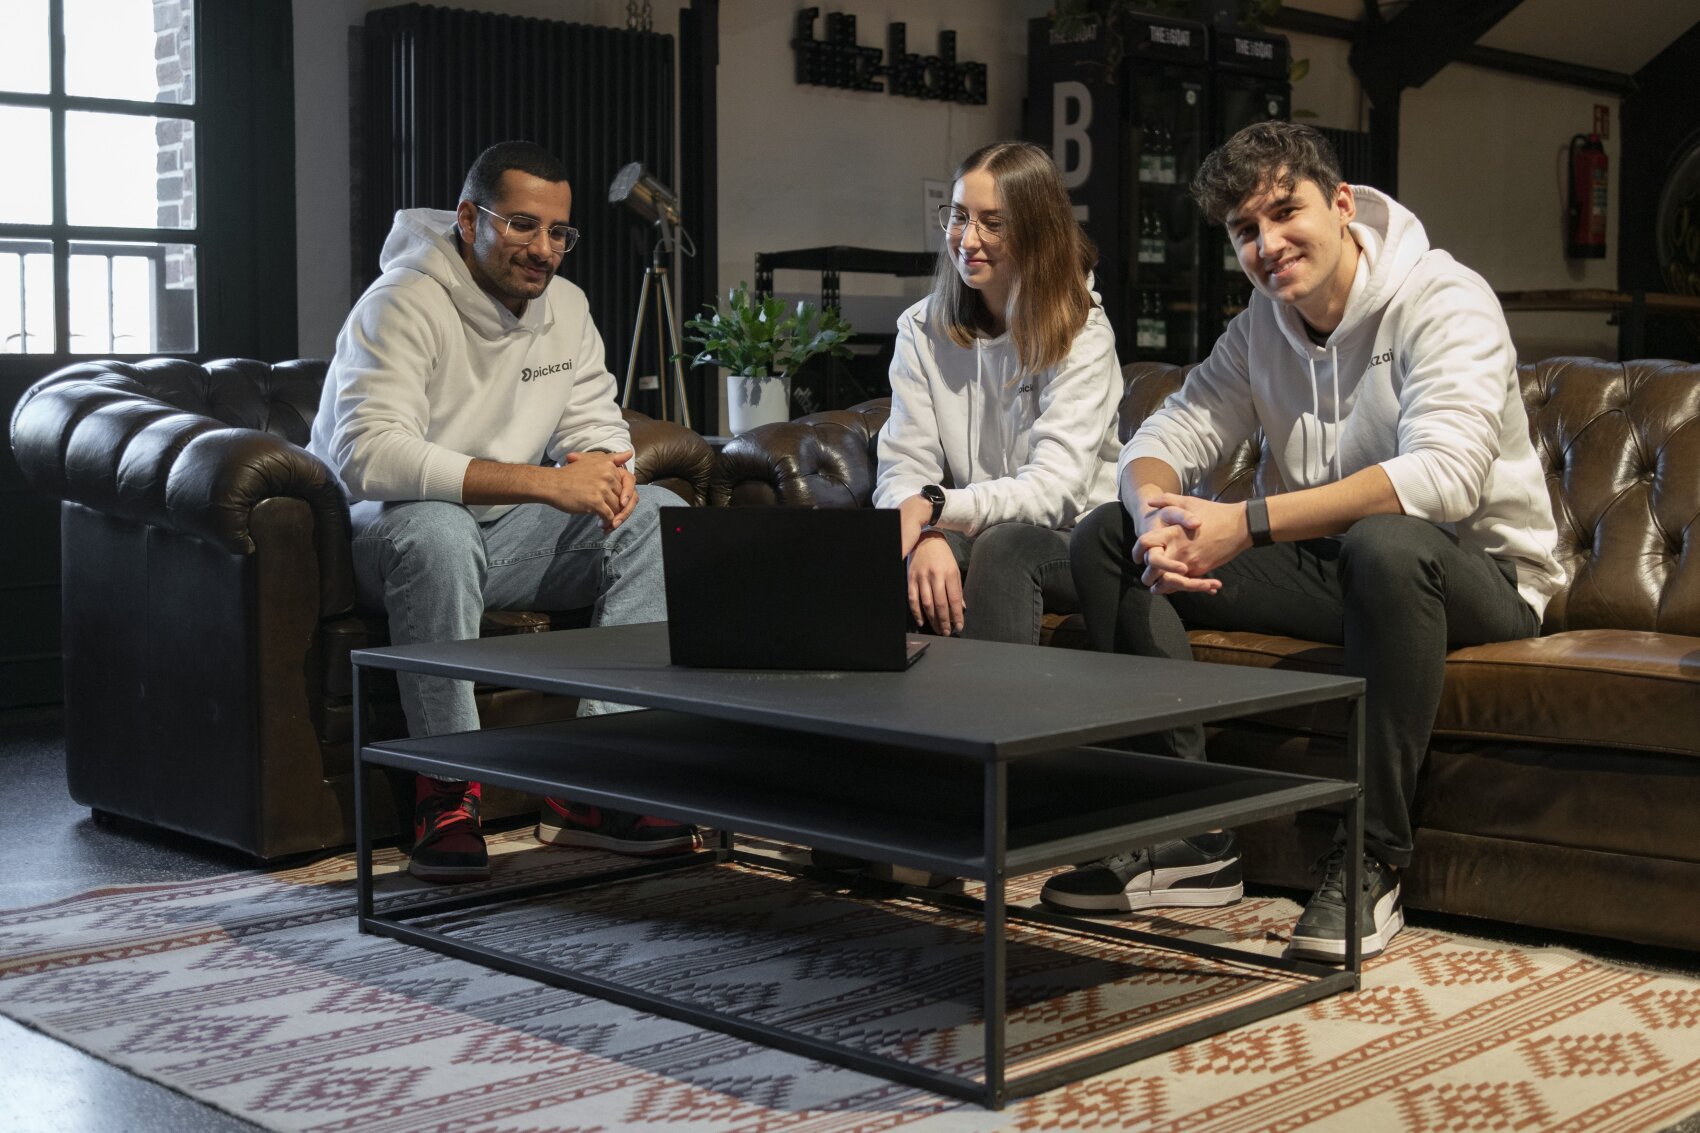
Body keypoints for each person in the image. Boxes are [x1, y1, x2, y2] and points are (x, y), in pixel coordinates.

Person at [1046, 122, 1564, 963]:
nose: (1269, 243)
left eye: (1285, 213)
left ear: (1343, 204)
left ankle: (1373, 857)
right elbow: (1172, 428)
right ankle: (1188, 828)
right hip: (1338, 566)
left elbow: (1445, 477)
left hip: (1478, 576)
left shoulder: (1445, 298)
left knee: (1387, 545)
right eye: (1245, 231)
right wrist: (1152, 515)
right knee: (1108, 536)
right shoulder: (1263, 322)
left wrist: (1243, 523)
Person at [310, 140, 696, 884]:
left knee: (661, 510)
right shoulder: (400, 303)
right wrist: (545, 483)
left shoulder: (568, 308)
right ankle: (447, 786)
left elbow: (596, 422)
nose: (543, 249)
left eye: (559, 232)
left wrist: (602, 467)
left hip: (503, 539)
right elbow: (370, 458)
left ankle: (596, 781)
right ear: (468, 218)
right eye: (522, 225)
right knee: (439, 530)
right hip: (383, 531)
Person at [873, 140, 1122, 644]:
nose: (968, 239)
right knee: (900, 565)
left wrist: (937, 507)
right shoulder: (920, 329)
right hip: (973, 528)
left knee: (1004, 548)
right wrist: (926, 534)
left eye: (993, 222)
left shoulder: (1082, 330)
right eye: (960, 216)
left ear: (1036, 230)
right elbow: (903, 467)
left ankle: (995, 721)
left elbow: (1056, 490)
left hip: (1071, 539)